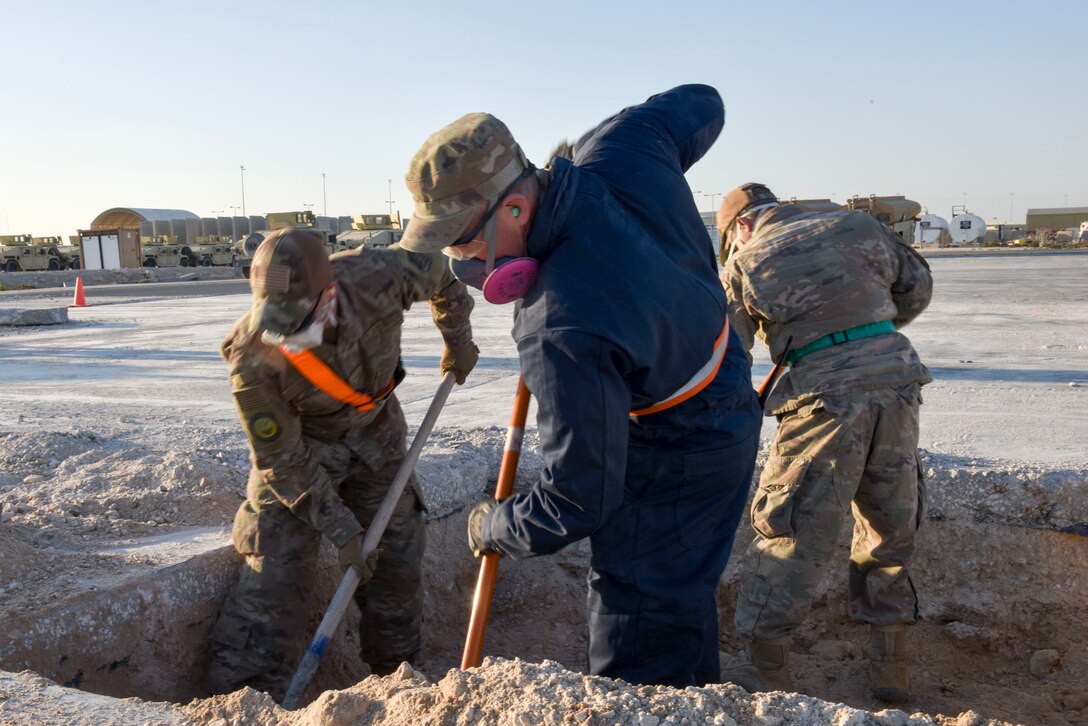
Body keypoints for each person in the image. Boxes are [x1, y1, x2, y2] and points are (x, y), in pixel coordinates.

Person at [398, 84, 763, 688]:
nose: (463, 266)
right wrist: (614, 136)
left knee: (640, 613)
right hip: (721, 377)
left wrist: (494, 525)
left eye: (462, 242)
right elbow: (704, 100)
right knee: (681, 592)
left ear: (515, 209)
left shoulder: (559, 324)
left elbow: (579, 498)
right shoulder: (622, 147)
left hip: (680, 448)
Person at [207, 228, 478, 699]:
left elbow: (444, 276)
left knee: (397, 555)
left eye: (295, 319)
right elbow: (281, 459)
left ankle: (396, 684)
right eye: (275, 320)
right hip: (303, 450)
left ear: (328, 293)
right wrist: (341, 529)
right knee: (273, 566)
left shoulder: (379, 275)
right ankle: (245, 699)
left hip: (377, 436)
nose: (283, 334)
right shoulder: (251, 358)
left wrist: (457, 340)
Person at [716, 183, 933, 701]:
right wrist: (863, 328)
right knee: (888, 524)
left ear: (741, 227)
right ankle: (890, 669)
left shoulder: (745, 263)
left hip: (823, 398)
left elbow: (730, 354)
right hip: (896, 381)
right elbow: (917, 287)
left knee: (793, 529)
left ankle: (765, 667)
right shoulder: (858, 226)